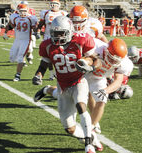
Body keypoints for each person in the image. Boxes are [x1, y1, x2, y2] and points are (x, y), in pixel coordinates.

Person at [32, 16, 103, 153]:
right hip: (62, 86)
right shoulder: (47, 45)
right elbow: (43, 66)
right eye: (55, 33)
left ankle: (87, 144)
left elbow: (97, 60)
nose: (57, 36)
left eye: (61, 33)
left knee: (81, 105)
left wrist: (92, 68)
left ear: (70, 31)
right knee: (69, 128)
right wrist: (38, 76)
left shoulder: (81, 40)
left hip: (78, 81)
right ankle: (92, 137)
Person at [3, 4, 38, 81]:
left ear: (27, 11)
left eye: (24, 11)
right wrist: (5, 33)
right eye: (21, 11)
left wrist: (37, 33)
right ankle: (18, 70)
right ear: (18, 11)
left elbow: (34, 27)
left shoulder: (30, 18)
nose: (23, 13)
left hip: (25, 41)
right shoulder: (16, 18)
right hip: (17, 40)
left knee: (20, 58)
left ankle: (17, 76)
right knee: (12, 59)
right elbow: (11, 26)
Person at [35, 0, 68, 81]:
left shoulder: (63, 13)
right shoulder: (45, 13)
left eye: (55, 4)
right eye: (52, 4)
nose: (53, 6)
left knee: (60, 55)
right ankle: (51, 74)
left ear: (59, 5)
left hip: (59, 37)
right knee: (48, 56)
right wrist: (38, 32)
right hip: (48, 36)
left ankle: (58, 73)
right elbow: (41, 23)